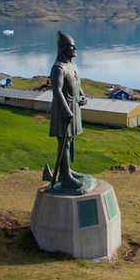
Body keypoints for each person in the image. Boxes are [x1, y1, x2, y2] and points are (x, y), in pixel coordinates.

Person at [47, 32, 87, 190]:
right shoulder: (58, 68)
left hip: (74, 107)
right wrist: (65, 111)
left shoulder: (72, 66)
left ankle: (67, 171)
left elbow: (76, 83)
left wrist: (82, 96)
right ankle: (65, 176)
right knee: (63, 143)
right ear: (64, 49)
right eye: (72, 47)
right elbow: (56, 90)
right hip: (64, 109)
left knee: (69, 141)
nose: (75, 49)